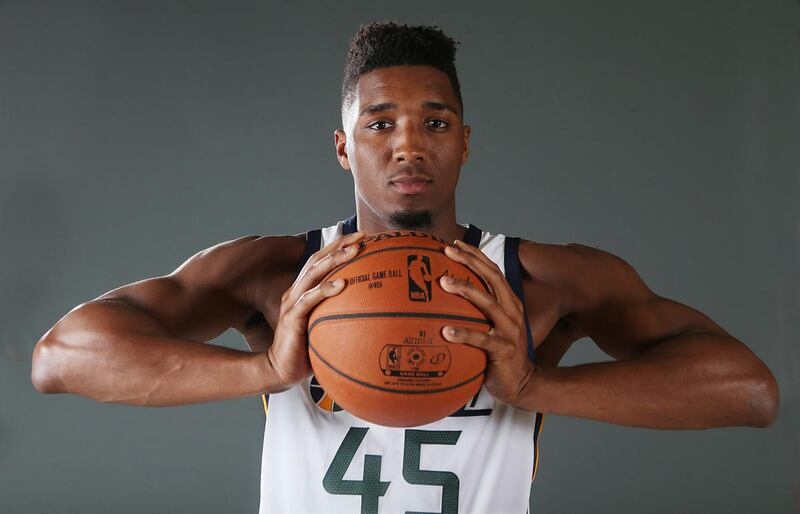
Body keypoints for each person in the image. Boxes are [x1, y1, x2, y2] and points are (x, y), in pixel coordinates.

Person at [31, 21, 779, 514]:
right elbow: (61, 358)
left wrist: (537, 385)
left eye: (435, 123)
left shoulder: (541, 282)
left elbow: (748, 391)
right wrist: (263, 370)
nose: (407, 146)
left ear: (464, 141)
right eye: (380, 123)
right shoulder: (281, 273)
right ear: (342, 146)